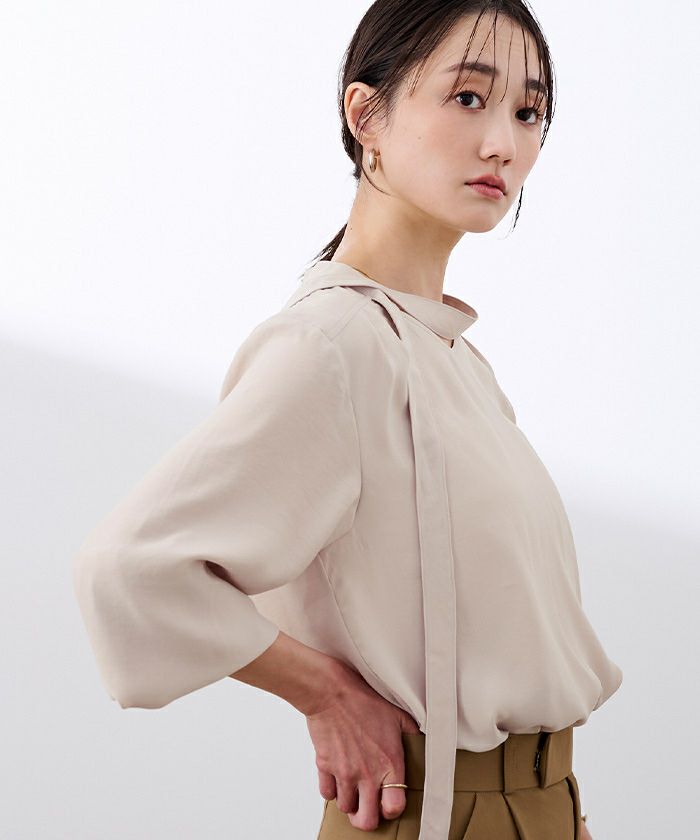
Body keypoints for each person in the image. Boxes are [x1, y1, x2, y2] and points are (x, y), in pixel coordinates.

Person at [72, 2, 623, 838]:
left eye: (528, 111)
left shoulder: (450, 358)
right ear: (366, 115)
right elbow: (130, 570)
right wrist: (323, 692)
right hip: (436, 813)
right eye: (468, 98)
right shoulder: (333, 344)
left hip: (542, 808)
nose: (503, 144)